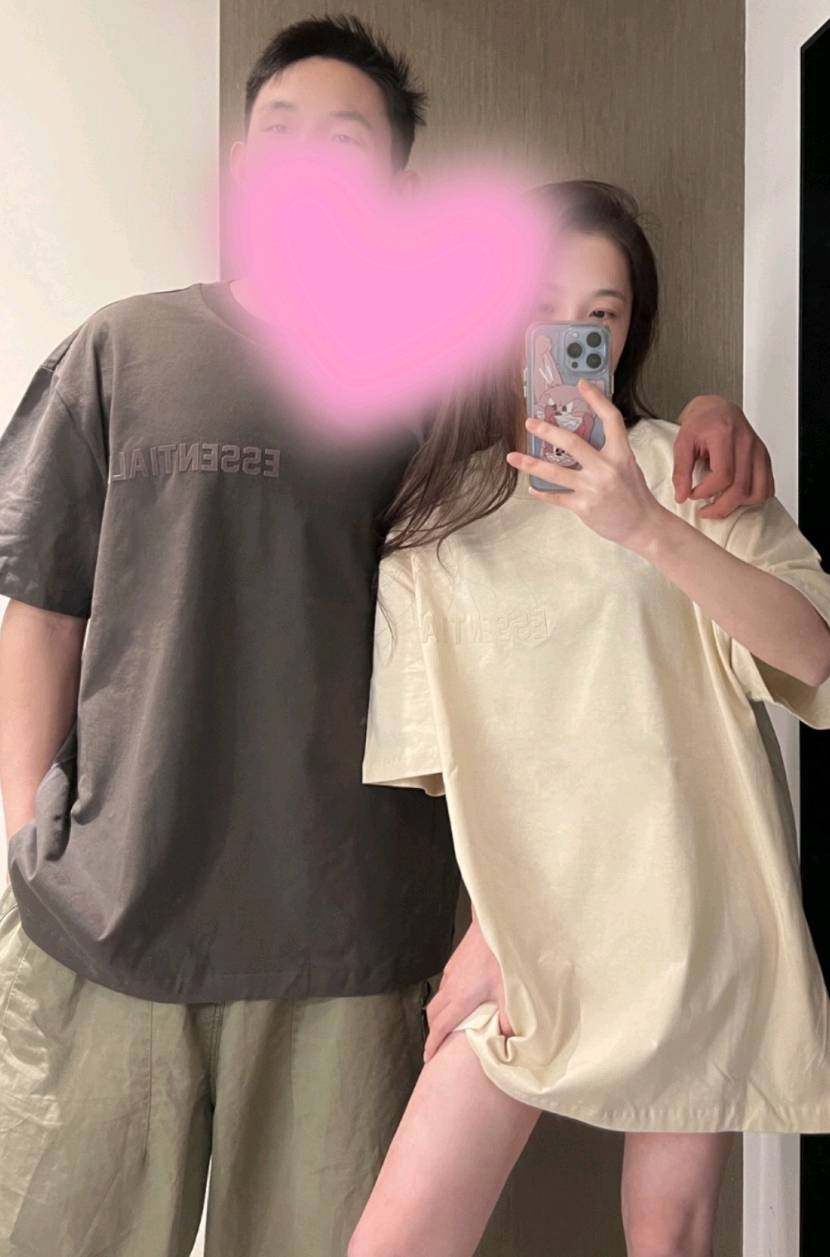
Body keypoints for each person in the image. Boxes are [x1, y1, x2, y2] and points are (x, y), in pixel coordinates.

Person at [0, 14, 773, 1257]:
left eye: (346, 141)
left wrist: (713, 415)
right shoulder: (124, 348)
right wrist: (25, 831)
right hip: (111, 916)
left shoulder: (443, 396)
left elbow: (572, 532)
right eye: (281, 132)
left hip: (350, 934)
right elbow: (41, 605)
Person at [353, 179, 830, 1257]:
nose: (569, 337)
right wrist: (487, 936)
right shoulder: (431, 525)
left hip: (691, 914)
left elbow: (811, 653)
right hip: (528, 928)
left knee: (666, 1238)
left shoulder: (688, 471)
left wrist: (645, 525)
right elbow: (458, 776)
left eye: (600, 315)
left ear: (625, 334)